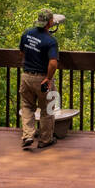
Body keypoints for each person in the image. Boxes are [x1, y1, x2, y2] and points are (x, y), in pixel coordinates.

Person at [18, 9, 63, 151]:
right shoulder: (50, 41)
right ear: (50, 22)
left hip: (26, 76)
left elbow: (22, 52)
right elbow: (53, 63)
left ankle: (28, 135)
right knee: (48, 109)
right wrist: (48, 79)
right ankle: (45, 139)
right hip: (42, 78)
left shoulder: (26, 34)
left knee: (27, 106)